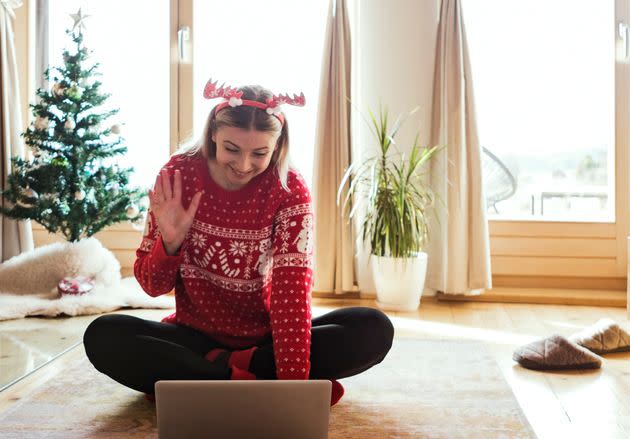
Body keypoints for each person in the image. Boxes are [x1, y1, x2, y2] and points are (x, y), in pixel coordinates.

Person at [83, 80, 394, 407]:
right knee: (104, 335)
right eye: (232, 148)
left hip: (267, 340)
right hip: (194, 338)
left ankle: (212, 378)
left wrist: (292, 391)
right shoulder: (178, 174)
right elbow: (151, 286)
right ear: (213, 133)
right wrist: (170, 244)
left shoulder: (289, 188)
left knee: (372, 329)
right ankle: (242, 380)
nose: (244, 165)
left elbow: (291, 296)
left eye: (259, 153)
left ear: (277, 146)